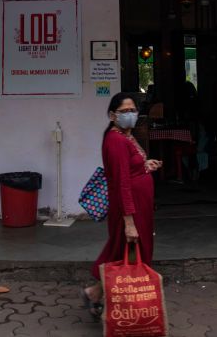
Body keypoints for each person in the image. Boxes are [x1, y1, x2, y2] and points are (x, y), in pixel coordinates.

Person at [81, 92, 163, 318]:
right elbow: (122, 183)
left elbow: (130, 169)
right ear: (112, 115)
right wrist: (129, 222)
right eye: (124, 111)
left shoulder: (126, 136)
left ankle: (97, 295)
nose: (130, 114)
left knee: (125, 253)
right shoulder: (116, 140)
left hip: (138, 207)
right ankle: (117, 301)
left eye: (133, 110)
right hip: (129, 209)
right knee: (125, 254)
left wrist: (145, 166)